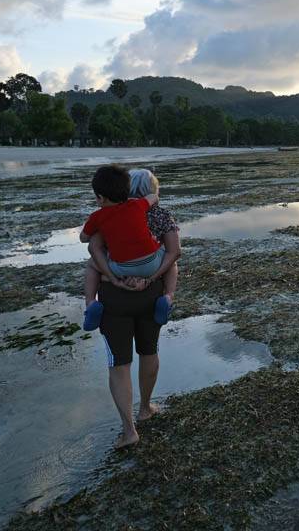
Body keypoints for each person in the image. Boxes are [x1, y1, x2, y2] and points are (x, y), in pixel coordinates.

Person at [84, 168, 181, 325]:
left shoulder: (109, 214)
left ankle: (90, 302)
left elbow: (94, 247)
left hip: (115, 285)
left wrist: (112, 277)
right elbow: (175, 252)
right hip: (152, 285)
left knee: (92, 264)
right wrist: (150, 278)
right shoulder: (161, 214)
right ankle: (169, 296)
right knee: (171, 259)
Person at [97, 278, 164, 448]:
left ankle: (129, 432)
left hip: (114, 296)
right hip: (150, 292)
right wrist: (154, 277)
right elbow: (174, 254)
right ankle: (145, 409)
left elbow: (94, 254)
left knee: (118, 364)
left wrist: (115, 280)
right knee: (149, 352)